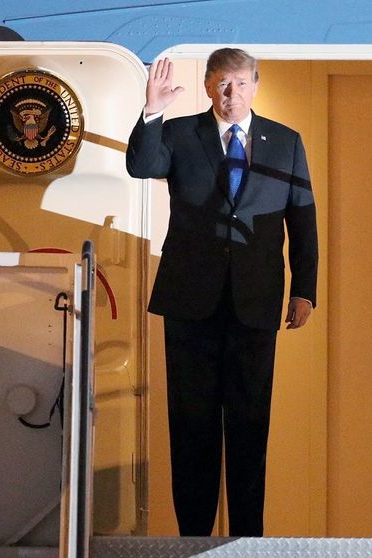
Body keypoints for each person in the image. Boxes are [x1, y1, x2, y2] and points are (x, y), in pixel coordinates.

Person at [126, 48, 318, 537]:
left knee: (251, 427)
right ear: (209, 86)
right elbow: (142, 165)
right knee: (192, 426)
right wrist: (152, 111)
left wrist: (305, 290)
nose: (231, 93)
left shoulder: (287, 142)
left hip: (256, 301)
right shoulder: (178, 132)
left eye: (239, 83)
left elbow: (303, 219)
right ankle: (192, 540)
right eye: (221, 84)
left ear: (255, 85)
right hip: (191, 300)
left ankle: (247, 541)